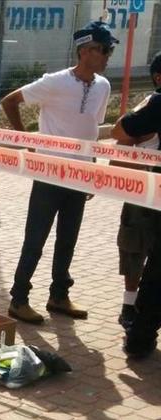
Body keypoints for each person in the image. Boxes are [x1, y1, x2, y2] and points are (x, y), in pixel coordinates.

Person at [1, 21, 115, 323]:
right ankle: (19, 299)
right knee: (35, 239)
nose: (108, 56)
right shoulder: (55, 82)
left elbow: (90, 129)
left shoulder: (103, 86)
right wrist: (27, 141)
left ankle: (59, 295)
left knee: (68, 238)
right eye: (104, 50)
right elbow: (9, 101)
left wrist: (91, 168)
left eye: (110, 51)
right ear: (85, 51)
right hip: (50, 174)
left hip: (80, 173)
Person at [110, 51, 161, 358]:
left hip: (152, 192)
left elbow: (118, 131)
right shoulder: (155, 103)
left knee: (154, 270)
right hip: (146, 190)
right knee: (136, 248)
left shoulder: (156, 102)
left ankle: (140, 335)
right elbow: (121, 134)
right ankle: (131, 312)